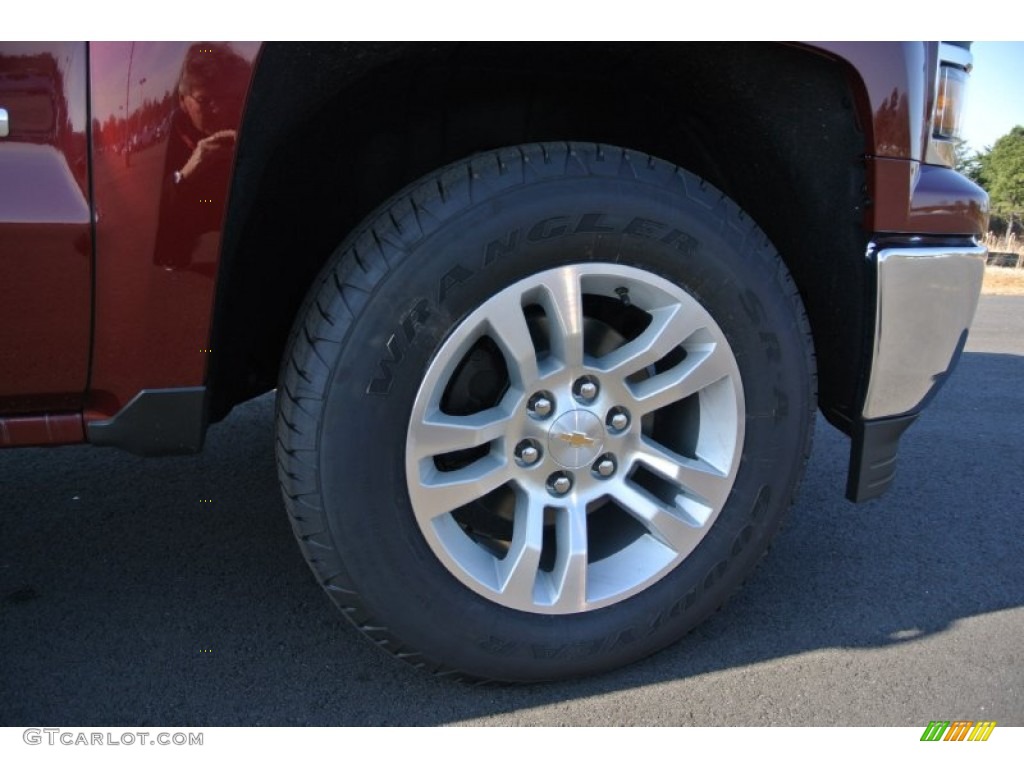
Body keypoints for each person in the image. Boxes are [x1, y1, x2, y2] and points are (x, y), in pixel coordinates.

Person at [154, 43, 251, 271]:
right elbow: (153, 232)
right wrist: (187, 173)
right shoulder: (168, 139)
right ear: (182, 100)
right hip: (198, 211)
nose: (221, 110)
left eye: (235, 98)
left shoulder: (253, 116)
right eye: (206, 100)